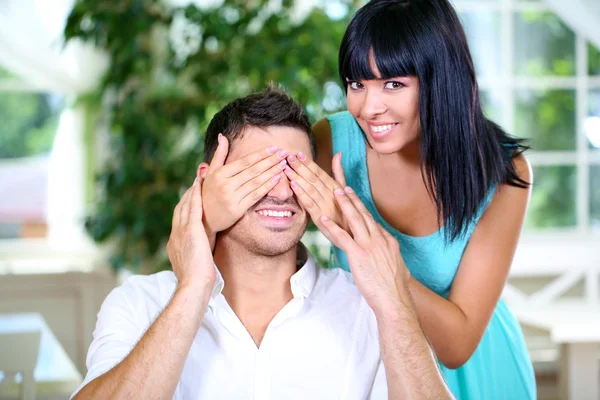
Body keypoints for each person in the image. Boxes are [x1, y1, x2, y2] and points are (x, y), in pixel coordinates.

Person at [200, 1, 537, 399]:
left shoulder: (501, 172)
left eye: (393, 84)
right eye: (357, 84)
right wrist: (211, 212)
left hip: (477, 371)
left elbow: (457, 344)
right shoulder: (333, 143)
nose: (368, 107)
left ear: (439, 79)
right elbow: (251, 230)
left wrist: (358, 239)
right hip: (371, 356)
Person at [71, 86, 454, 400]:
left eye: (297, 170)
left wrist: (394, 302)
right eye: (258, 171)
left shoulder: (369, 310)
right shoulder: (139, 304)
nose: (282, 191)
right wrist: (193, 289)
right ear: (207, 180)